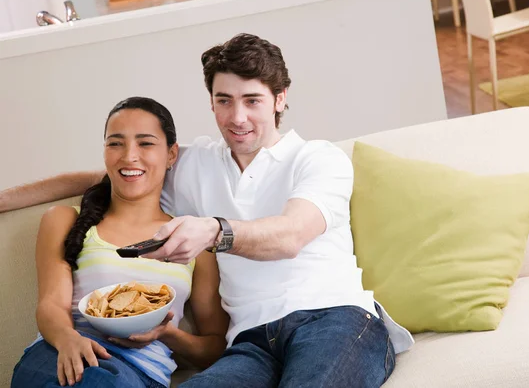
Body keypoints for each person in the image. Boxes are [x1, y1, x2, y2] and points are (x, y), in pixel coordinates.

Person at [1, 34, 414, 387]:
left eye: (252, 100)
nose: (237, 117)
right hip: (249, 342)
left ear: (279, 99)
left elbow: (290, 236)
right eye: (224, 100)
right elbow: (119, 171)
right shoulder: (196, 163)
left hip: (333, 318)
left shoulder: (318, 158)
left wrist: (215, 231)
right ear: (212, 103)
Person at [10, 97, 229, 388]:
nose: (129, 156)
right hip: (60, 355)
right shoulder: (64, 219)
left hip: (139, 375)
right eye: (115, 143)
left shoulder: (193, 242)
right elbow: (51, 303)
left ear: (172, 154)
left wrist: (165, 334)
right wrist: (68, 339)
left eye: (145, 143)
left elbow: (215, 348)